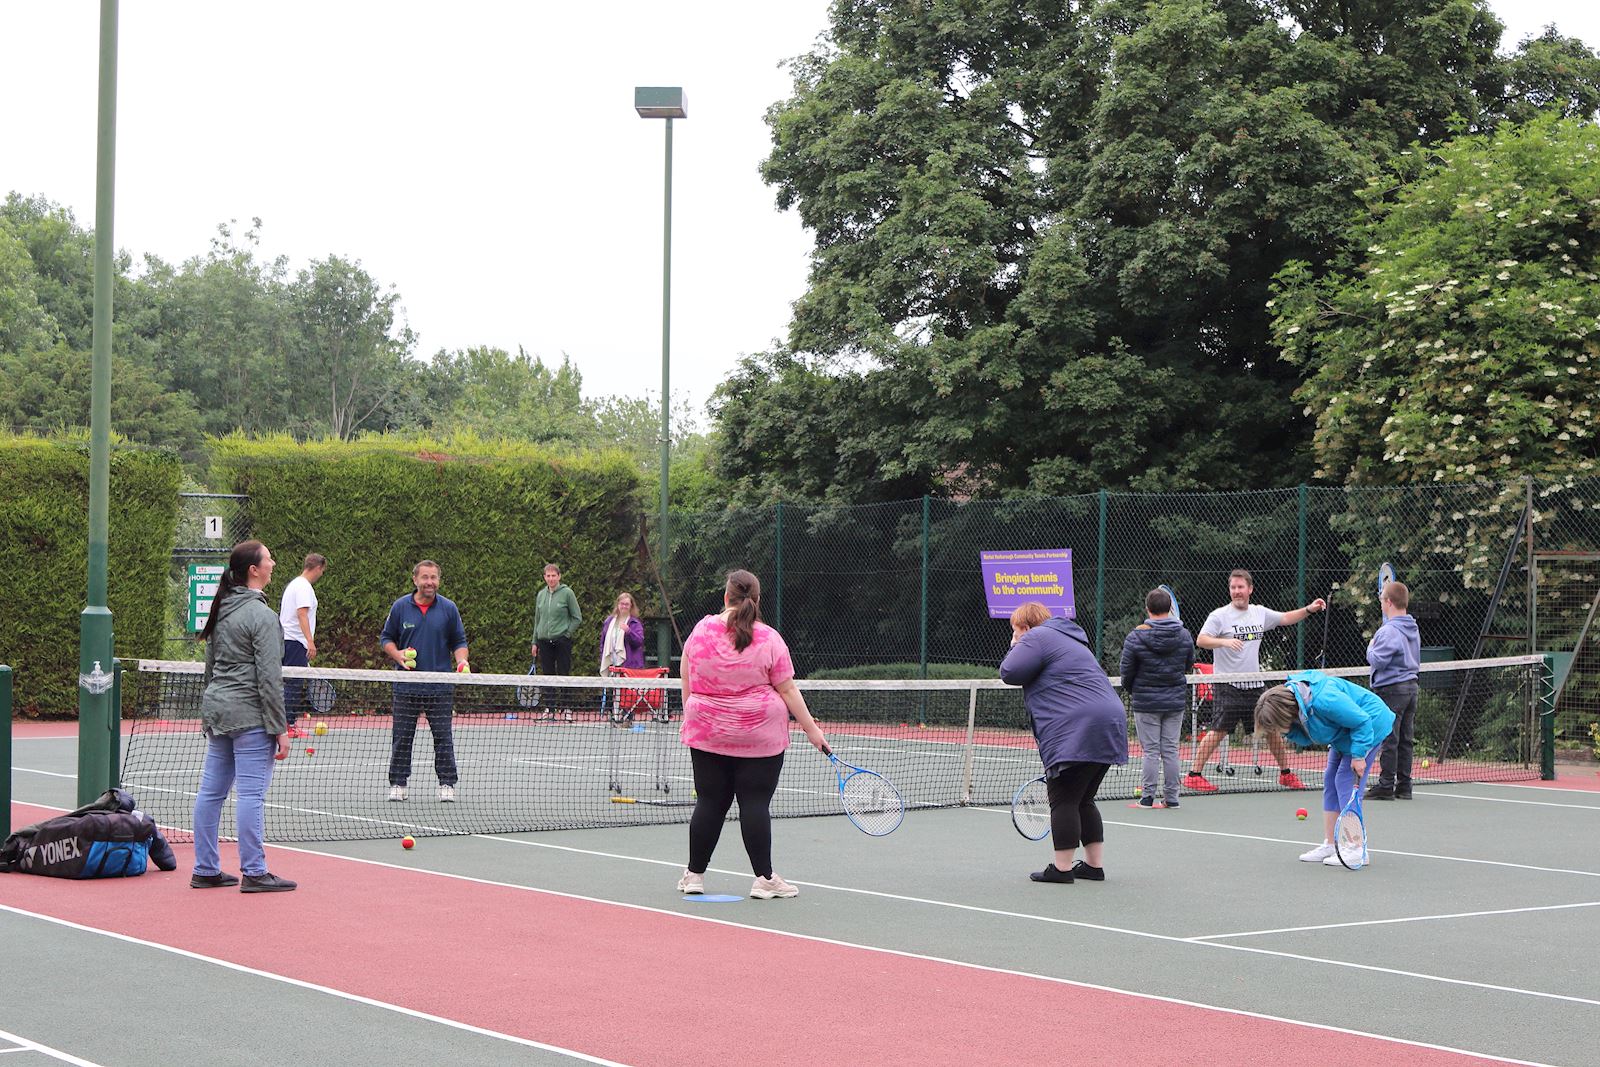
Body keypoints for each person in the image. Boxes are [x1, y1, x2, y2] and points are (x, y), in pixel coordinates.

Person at [677, 569, 828, 900]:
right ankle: (765, 879)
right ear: (757, 601)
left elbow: (686, 676)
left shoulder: (701, 631)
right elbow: (787, 690)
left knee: (709, 802)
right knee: (755, 804)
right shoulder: (770, 638)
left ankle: (694, 876)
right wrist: (813, 730)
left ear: (725, 597)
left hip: (707, 731)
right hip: (760, 735)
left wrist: (692, 714)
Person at [191, 540, 296, 893]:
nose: (273, 564)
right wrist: (280, 728)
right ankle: (254, 871)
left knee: (211, 792)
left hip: (218, 709)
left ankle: (205, 869)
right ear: (254, 570)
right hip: (248, 714)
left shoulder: (221, 609)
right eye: (269, 560)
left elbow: (210, 669)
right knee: (251, 794)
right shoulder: (262, 617)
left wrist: (214, 705)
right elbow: (270, 677)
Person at [1000, 602, 1129, 884]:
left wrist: (1016, 644)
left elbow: (1009, 672)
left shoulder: (1036, 637)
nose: (1014, 637)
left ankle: (1061, 869)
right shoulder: (1069, 639)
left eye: (1015, 631)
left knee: (1064, 799)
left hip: (1078, 726)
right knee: (1084, 798)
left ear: (1026, 627)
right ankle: (1094, 866)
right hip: (1110, 721)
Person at [1185, 569, 1327, 793]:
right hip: (1227, 684)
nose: (1237, 591)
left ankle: (1286, 774)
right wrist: (1224, 642)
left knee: (1270, 728)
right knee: (1219, 730)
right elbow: (1201, 640)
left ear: (1250, 589)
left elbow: (1286, 618)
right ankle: (1194, 775)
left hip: (1255, 685)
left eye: (1241, 587)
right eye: (1233, 587)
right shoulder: (1219, 616)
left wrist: (1309, 609)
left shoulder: (1259, 613)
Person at [1253, 671, 1396, 867]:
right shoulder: (1301, 708)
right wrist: (1287, 731)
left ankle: (1356, 848)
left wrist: (1358, 755)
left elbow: (1362, 721)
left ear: (1285, 712)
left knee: (1344, 780)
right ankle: (1332, 844)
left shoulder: (1325, 700)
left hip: (1371, 723)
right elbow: (1310, 735)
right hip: (1344, 733)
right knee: (1330, 778)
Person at [379, 559, 469, 802]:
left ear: (438, 580)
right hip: (406, 686)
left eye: (434, 578)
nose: (430, 582)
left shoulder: (449, 609)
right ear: (415, 579)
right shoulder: (400, 607)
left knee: (443, 737)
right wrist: (397, 655)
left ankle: (447, 783)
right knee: (402, 737)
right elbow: (386, 638)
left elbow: (459, 642)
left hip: (439, 686)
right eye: (425, 577)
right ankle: (398, 783)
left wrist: (462, 661)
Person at [1119, 588, 1195, 809]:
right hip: (1174, 701)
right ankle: (1172, 799)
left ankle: (1147, 799)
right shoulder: (1184, 635)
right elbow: (1188, 664)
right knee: (1170, 750)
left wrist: (1133, 689)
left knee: (1151, 751)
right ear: (1170, 609)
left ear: (1147, 609)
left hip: (1146, 702)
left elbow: (1126, 672)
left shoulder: (1135, 636)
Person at [1365, 580, 1421, 801]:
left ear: (1388, 602)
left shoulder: (1388, 631)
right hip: (1411, 688)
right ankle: (1404, 786)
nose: (1381, 604)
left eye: (1381, 600)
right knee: (1405, 738)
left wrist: (1370, 645)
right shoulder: (1412, 628)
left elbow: (1378, 660)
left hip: (1392, 689)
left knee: (1390, 738)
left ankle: (1386, 785)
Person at [278, 552, 326, 738]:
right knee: (293, 684)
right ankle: (288, 725)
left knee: (287, 683)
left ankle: (283, 724)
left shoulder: (294, 585)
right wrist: (309, 641)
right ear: (318, 568)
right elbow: (302, 614)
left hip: (287, 641)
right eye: (322, 571)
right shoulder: (304, 587)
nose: (321, 575)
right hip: (295, 642)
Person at [531, 563, 581, 715]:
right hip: (544, 642)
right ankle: (550, 708)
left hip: (562, 642)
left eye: (553, 575)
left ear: (559, 576)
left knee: (564, 674)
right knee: (548, 675)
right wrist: (535, 641)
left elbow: (577, 618)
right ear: (544, 577)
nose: (551, 578)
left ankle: (566, 708)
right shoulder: (541, 595)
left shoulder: (567, 593)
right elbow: (537, 620)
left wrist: (566, 634)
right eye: (548, 576)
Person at [599, 591, 647, 671]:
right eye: (622, 603)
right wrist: (602, 657)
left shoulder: (635, 623)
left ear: (631, 606)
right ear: (618, 605)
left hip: (630, 666)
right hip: (611, 664)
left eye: (627, 604)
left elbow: (639, 641)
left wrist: (629, 632)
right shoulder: (609, 622)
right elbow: (603, 643)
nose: (624, 606)